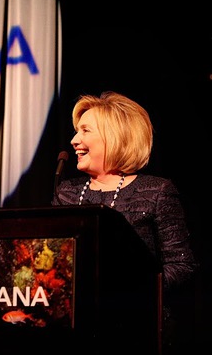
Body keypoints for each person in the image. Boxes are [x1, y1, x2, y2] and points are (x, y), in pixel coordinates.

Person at [52, 91, 198, 354]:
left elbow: (182, 265)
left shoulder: (156, 191)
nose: (74, 140)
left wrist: (133, 289)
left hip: (138, 330)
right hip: (78, 331)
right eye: (76, 131)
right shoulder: (67, 193)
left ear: (115, 136)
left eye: (85, 131)